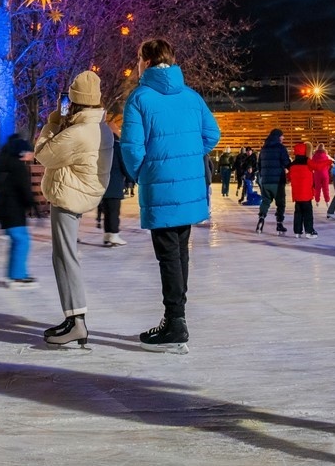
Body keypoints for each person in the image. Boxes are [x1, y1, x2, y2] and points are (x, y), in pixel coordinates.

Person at [121, 38, 220, 354]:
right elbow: (212, 134)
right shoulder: (191, 97)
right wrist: (188, 157)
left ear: (147, 62)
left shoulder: (140, 98)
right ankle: (177, 317)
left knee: (168, 256)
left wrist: (144, 173)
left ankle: (175, 323)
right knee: (180, 253)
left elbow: (132, 148)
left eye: (139, 59)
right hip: (188, 188)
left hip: (160, 186)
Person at [35, 70, 113, 347]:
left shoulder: (79, 132)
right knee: (64, 256)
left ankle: (77, 322)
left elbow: (43, 153)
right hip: (79, 191)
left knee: (65, 257)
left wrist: (55, 120)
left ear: (76, 101)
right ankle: (73, 318)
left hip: (69, 195)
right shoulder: (101, 128)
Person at [0, 135, 39, 289]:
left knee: (18, 242)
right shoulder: (18, 167)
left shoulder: (8, 165)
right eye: (30, 152)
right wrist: (35, 209)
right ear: (23, 152)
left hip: (9, 211)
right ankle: (17, 277)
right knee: (22, 242)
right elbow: (25, 191)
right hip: (13, 211)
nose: (32, 155)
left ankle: (16, 274)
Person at [255, 129, 291, 234]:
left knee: (265, 201)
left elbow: (259, 165)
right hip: (277, 181)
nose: (283, 138)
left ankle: (261, 219)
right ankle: (279, 223)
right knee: (280, 203)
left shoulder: (264, 148)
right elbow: (286, 163)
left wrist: (263, 176)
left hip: (265, 181)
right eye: (282, 136)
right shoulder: (280, 148)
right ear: (278, 137)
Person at [102, 128, 132, 246]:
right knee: (114, 212)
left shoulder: (101, 148)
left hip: (103, 184)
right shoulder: (117, 147)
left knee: (107, 212)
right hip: (114, 184)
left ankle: (107, 235)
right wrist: (130, 178)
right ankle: (114, 235)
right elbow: (124, 165)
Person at [288, 142, 317, 238]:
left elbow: (289, 177)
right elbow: (317, 168)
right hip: (306, 193)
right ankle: (309, 231)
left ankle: (297, 231)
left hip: (297, 194)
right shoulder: (308, 162)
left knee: (298, 212)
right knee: (308, 212)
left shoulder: (292, 165)